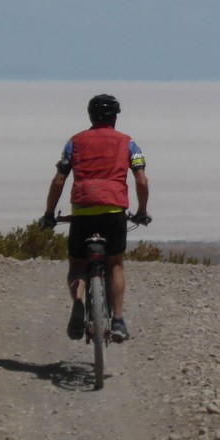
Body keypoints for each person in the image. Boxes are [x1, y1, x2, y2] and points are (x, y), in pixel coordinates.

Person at [39, 94, 150, 343]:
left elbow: (59, 180)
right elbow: (141, 180)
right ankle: (118, 320)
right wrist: (142, 211)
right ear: (115, 117)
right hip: (114, 210)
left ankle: (78, 302)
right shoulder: (129, 144)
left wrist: (49, 214)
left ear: (90, 115)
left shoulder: (74, 142)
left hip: (83, 209)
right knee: (115, 264)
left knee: (77, 265)